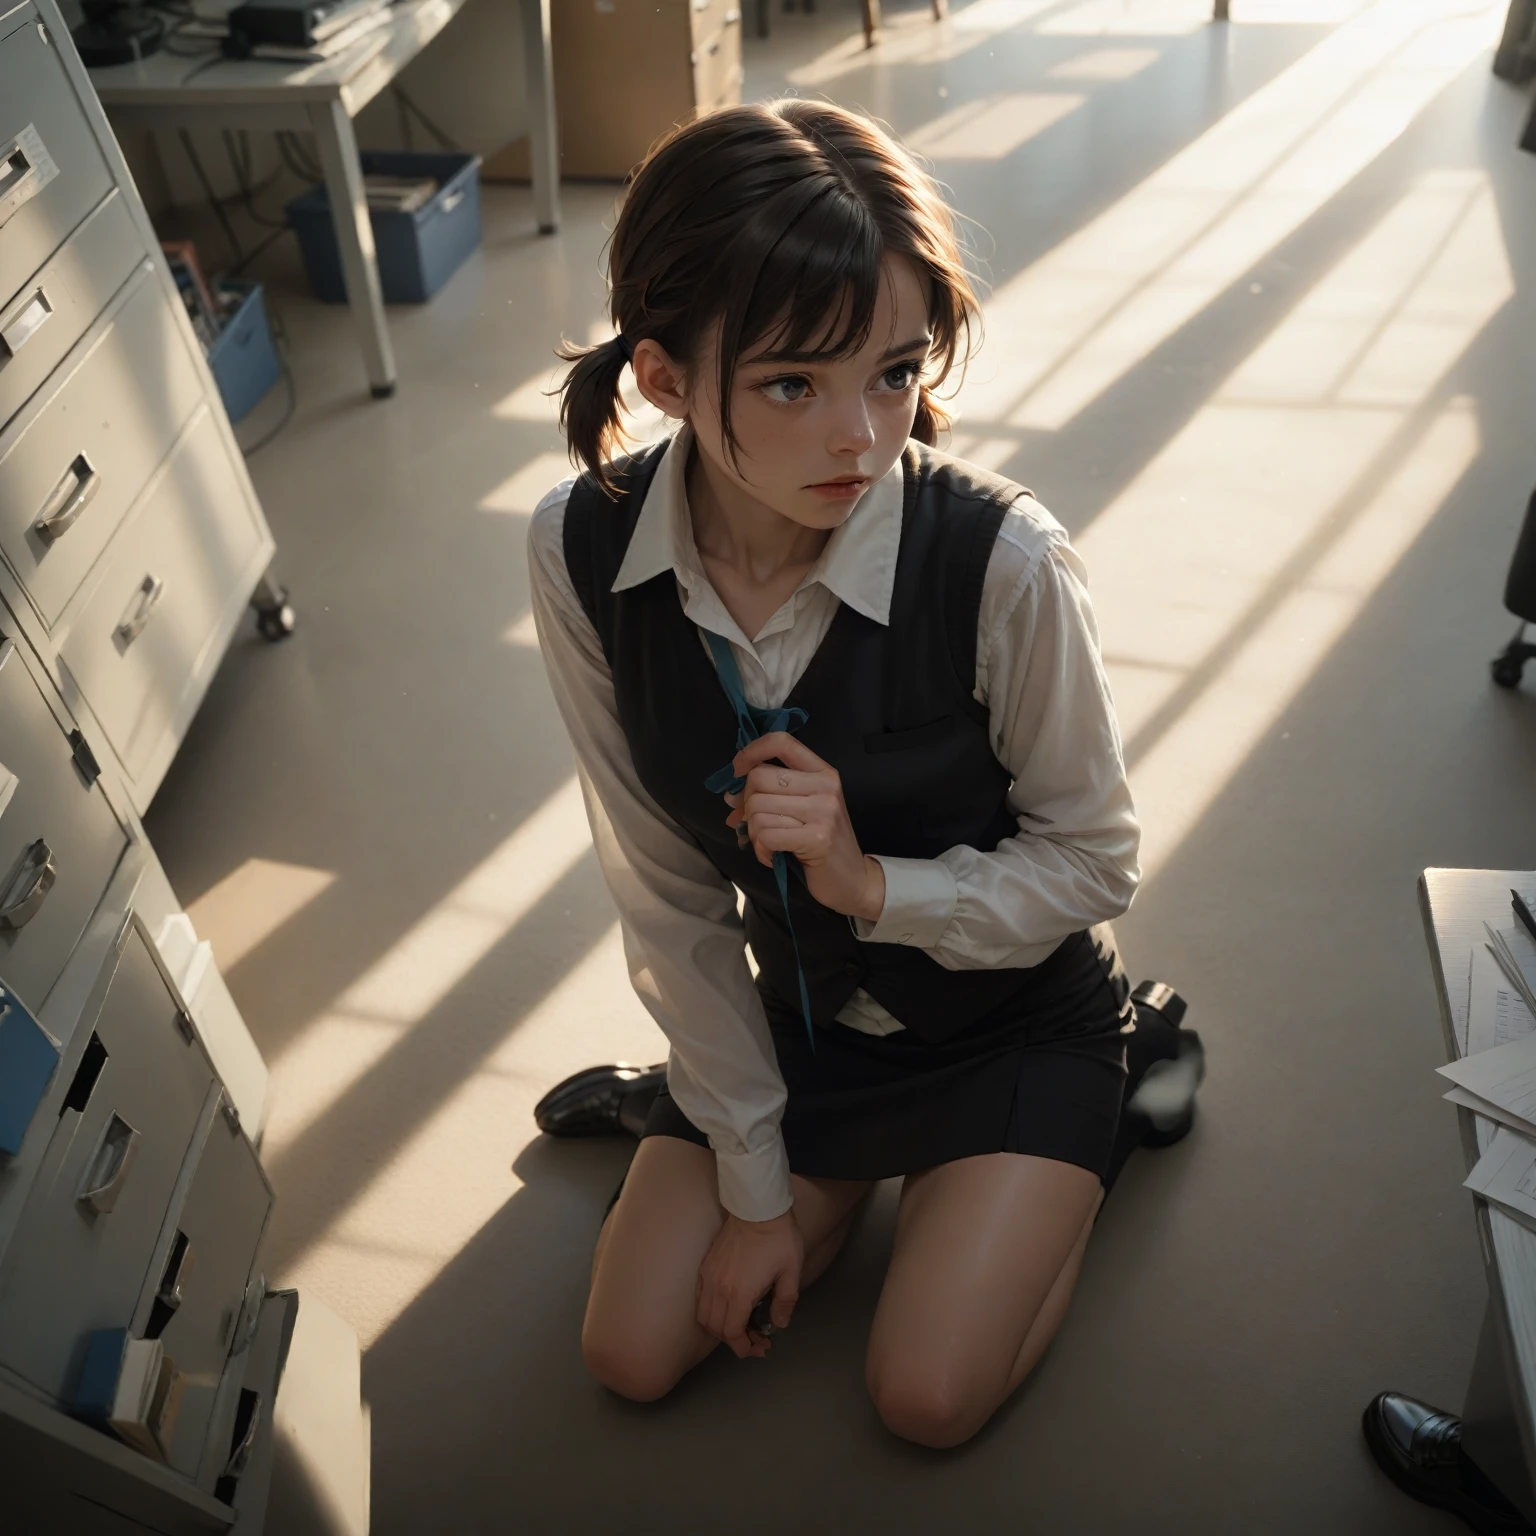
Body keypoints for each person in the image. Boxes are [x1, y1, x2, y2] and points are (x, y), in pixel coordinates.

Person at [526, 98, 1204, 1449]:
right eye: (793, 384)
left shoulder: (1004, 562)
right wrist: (758, 1187)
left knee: (927, 1398)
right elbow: (663, 892)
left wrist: (866, 880)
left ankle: (1114, 1096)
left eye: (895, 371)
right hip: (805, 1025)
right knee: (632, 1351)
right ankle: (803, 1160)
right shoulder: (580, 550)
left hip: (1011, 1018)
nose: (863, 435)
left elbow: (1098, 859)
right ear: (665, 379)